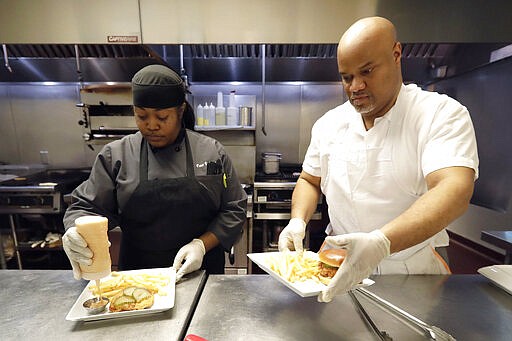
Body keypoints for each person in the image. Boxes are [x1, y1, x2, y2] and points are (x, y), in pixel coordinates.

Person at [278, 16, 479, 302]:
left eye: (367, 71)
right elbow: (310, 180)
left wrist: (381, 243)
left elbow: (454, 189)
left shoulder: (439, 114)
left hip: (412, 274)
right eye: (346, 77)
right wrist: (297, 221)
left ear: (396, 54)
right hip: (336, 268)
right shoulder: (329, 124)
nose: (355, 86)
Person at [62, 64, 247, 282]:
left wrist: (201, 245)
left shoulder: (211, 151)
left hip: (203, 273)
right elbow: (86, 206)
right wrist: (76, 231)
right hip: (138, 277)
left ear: (180, 111)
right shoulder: (117, 155)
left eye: (162, 117)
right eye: (142, 116)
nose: (151, 125)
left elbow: (234, 210)